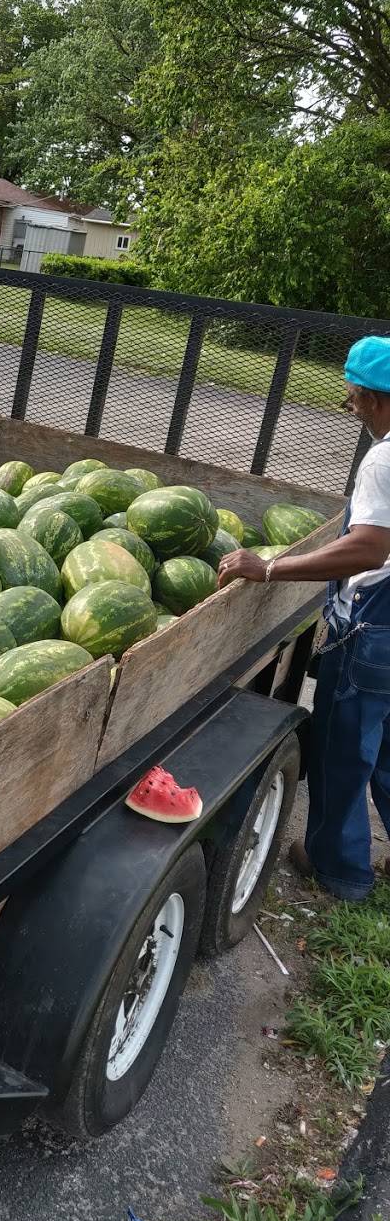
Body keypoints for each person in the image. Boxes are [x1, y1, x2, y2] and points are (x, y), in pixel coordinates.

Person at [217, 334, 390, 901]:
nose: (354, 411)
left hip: (376, 627)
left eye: (353, 400)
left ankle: (338, 871)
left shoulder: (383, 460)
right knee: (387, 749)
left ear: (374, 398)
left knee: (344, 748)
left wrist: (269, 568)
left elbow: (367, 548)